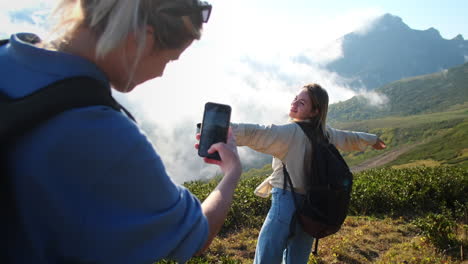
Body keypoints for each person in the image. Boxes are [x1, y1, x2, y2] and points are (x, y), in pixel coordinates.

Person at [0, 0, 242, 263]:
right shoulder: (104, 134)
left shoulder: (6, 54)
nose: (162, 73)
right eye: (170, 59)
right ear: (143, 38)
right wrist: (232, 173)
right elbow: (195, 234)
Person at [229, 83, 386, 264]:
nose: (294, 103)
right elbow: (348, 137)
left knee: (268, 255)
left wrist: (222, 129)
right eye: (295, 98)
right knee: (297, 258)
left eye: (302, 103)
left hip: (285, 200)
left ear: (314, 111)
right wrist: (372, 139)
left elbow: (257, 133)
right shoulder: (325, 133)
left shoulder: (291, 132)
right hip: (314, 205)